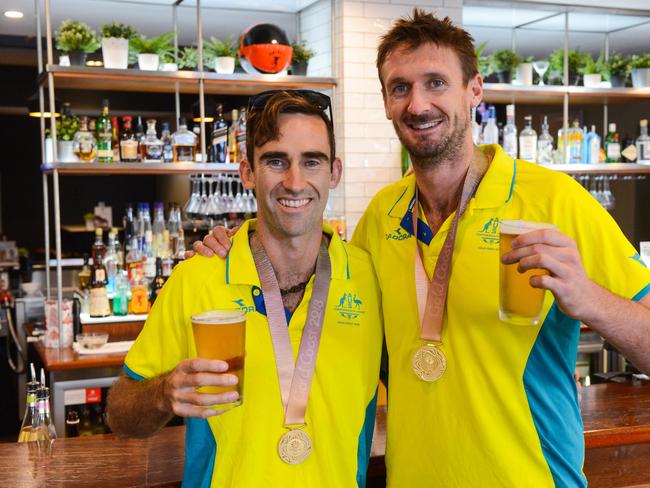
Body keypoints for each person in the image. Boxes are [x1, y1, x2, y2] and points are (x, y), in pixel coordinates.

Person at [192, 10, 650, 487]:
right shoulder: (381, 216)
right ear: (387, 103)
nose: (418, 104)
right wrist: (238, 244)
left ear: (474, 90)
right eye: (400, 88)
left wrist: (590, 299)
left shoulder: (556, 202)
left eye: (436, 83)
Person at [106, 90, 383, 487]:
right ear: (247, 173)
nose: (294, 181)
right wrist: (164, 393)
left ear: (334, 172)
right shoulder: (196, 278)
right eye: (275, 161)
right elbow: (120, 415)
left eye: (312, 161)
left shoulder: (370, 279)